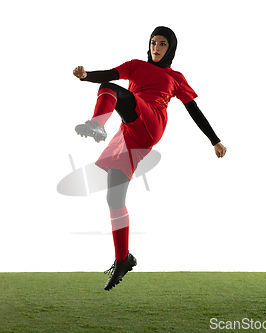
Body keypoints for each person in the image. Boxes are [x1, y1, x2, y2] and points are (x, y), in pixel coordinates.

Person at [72, 26, 227, 291]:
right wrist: (86, 75)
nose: (156, 48)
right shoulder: (135, 66)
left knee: (112, 90)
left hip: (151, 121)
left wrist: (214, 140)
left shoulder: (175, 77)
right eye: (153, 43)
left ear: (171, 49)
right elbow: (110, 74)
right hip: (128, 133)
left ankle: (97, 124)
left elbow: (194, 110)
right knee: (114, 198)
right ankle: (123, 259)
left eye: (163, 44)